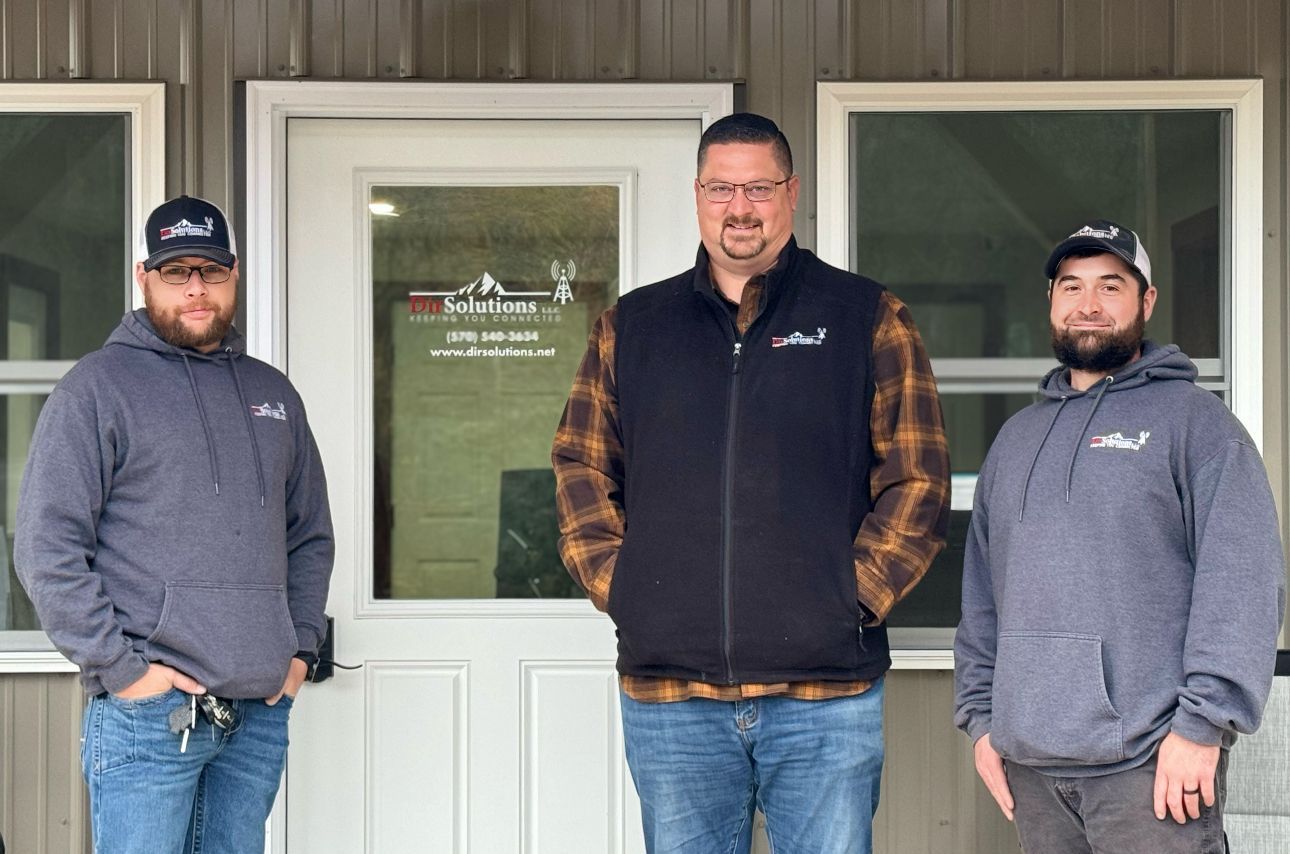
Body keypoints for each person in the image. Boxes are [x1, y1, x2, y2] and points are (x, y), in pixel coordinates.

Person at [552, 112, 950, 853]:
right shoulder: (630, 327)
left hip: (825, 697)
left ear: (791, 193)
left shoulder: (866, 318)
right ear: (698, 195)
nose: (741, 208)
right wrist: (628, 588)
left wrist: (851, 596)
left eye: (760, 187)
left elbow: (919, 480)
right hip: (673, 699)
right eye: (722, 189)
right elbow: (581, 467)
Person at [15, 195, 335, 853]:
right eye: (176, 271)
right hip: (149, 715)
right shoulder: (97, 389)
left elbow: (308, 536)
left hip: (257, 713)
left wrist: (299, 651)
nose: (195, 288)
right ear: (144, 278)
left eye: (211, 271)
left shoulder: (273, 395)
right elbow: (47, 547)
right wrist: (124, 670)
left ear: (234, 275)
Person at [954, 220, 1286, 853]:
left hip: (1152, 766)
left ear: (1146, 301)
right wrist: (981, 723)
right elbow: (981, 597)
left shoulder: (1197, 425)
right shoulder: (1017, 440)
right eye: (1072, 286)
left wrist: (1203, 726)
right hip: (1032, 766)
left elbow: (1242, 581)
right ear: (1050, 300)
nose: (1090, 305)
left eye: (1112, 285)